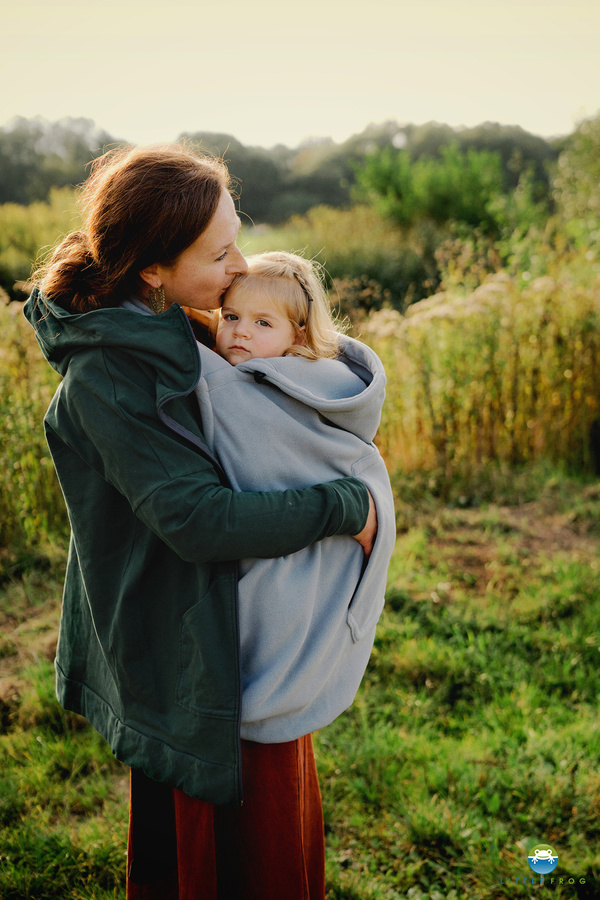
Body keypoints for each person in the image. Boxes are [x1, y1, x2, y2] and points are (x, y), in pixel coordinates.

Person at [24, 144, 379, 900]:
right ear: (153, 266)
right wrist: (343, 506)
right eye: (219, 252)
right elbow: (196, 520)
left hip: (231, 631)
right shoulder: (111, 372)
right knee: (233, 862)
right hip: (187, 647)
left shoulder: (170, 322)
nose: (239, 263)